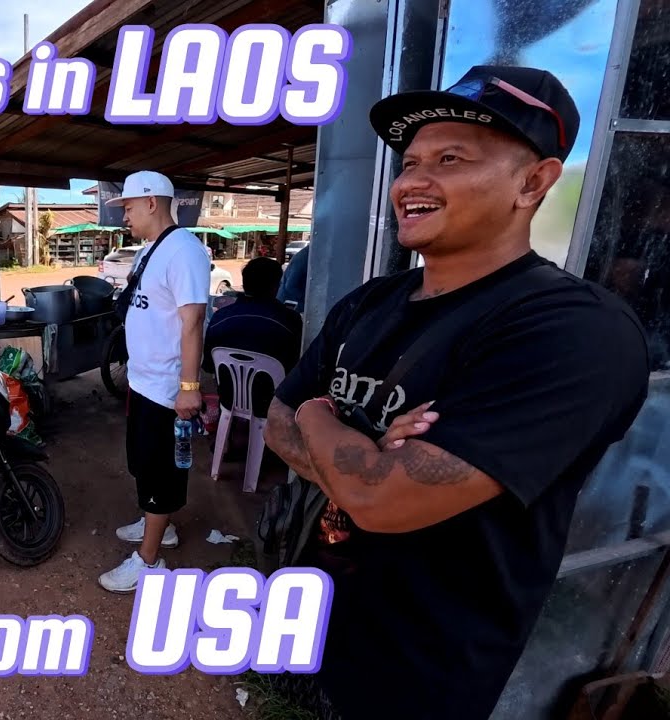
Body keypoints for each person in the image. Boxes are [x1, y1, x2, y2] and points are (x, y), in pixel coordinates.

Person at [262, 66, 650, 720]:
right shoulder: (369, 303)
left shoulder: (574, 331)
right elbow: (274, 423)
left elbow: (371, 488)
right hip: (325, 627)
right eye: (409, 162)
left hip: (427, 677)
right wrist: (359, 462)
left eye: (450, 159)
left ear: (535, 181)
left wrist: (317, 414)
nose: (412, 181)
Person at [98, 170, 211, 594]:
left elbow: (193, 321)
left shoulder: (184, 251)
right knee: (143, 463)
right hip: (143, 382)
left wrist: (188, 387)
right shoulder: (151, 250)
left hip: (167, 387)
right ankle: (158, 528)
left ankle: (149, 560)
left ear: (151, 202)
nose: (123, 216)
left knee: (161, 469)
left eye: (127, 208)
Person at [203, 256, 303, 421]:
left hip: (229, 401)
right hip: (272, 404)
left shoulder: (220, 317)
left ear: (244, 283)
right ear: (276, 286)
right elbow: (295, 368)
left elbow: (208, 365)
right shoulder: (289, 320)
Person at [277, 241, 309, 312]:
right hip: (289, 303)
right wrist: (306, 300)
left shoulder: (306, 255)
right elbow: (291, 286)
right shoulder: (304, 257)